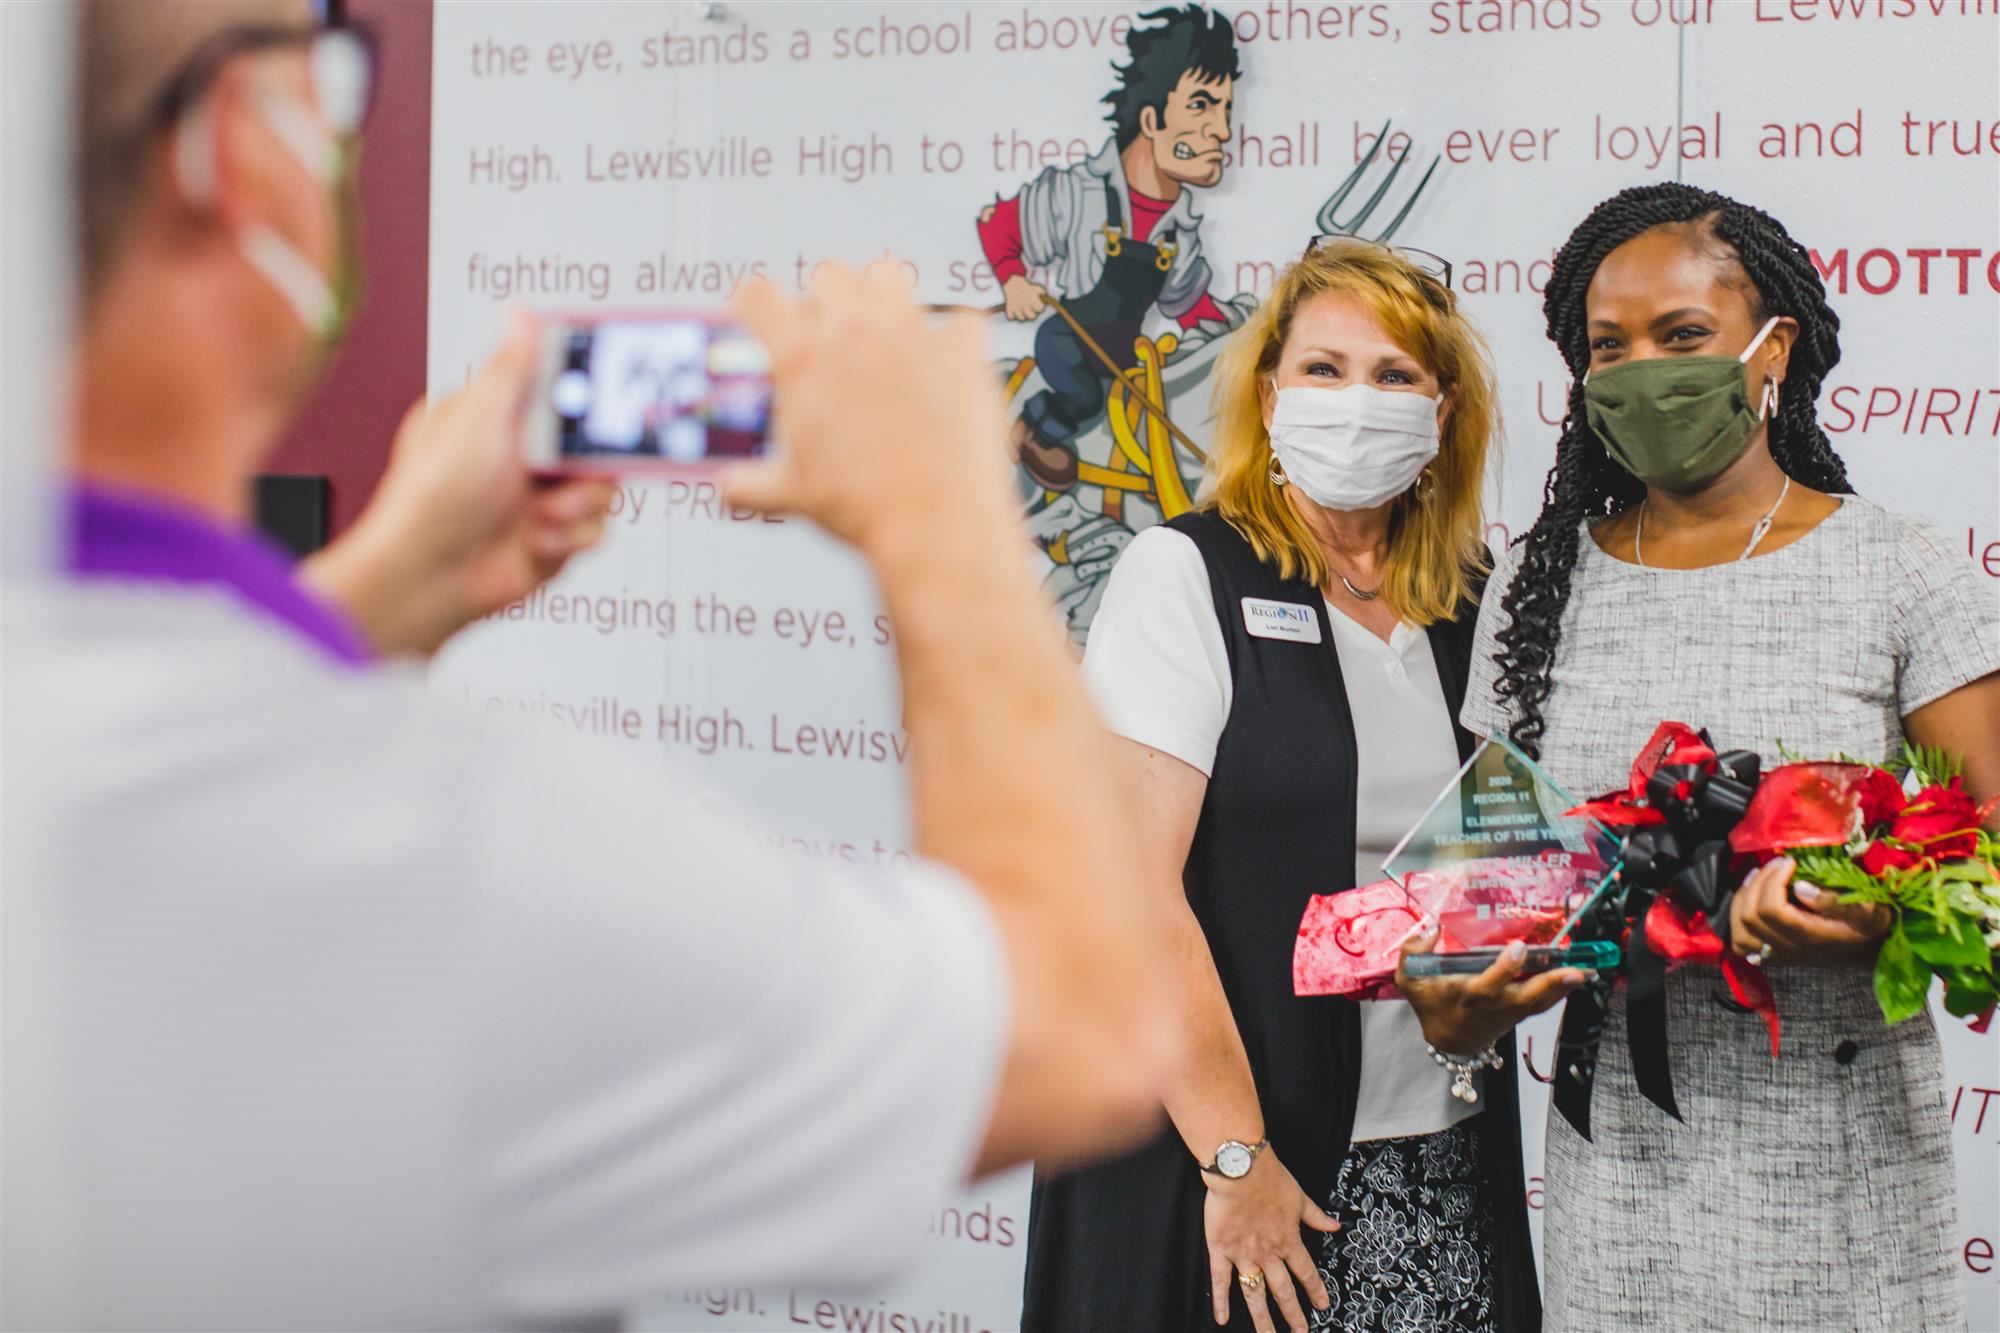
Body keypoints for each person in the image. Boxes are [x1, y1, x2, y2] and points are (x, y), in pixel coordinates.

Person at [2, 2, 1176, 1327]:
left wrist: (378, 595)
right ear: (241, 144)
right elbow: (1077, 1032)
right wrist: (944, 515)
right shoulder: (460, 859)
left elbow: (149, 726)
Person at [1447, 182, 2000, 1330]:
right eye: (1610, 346)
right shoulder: (1533, 591)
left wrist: (1877, 918)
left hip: (1841, 1186)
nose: (1644, 368)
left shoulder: (1902, 575)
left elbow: (1988, 875)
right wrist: (1457, 997)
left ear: (1772, 349)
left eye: (1681, 336)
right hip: (1619, 1187)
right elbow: (1482, 898)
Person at [1021, 239, 1568, 1333]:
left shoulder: (1474, 603)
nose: (1353, 401)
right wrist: (1236, 1158)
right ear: (1268, 394)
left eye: (1392, 374)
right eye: (1321, 369)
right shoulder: (1185, 576)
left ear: (1442, 412)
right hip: (1224, 1165)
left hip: (1436, 1154)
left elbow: (1496, 858)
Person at [976, 2, 1238, 490]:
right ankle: (1032, 431)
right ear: (1153, 120)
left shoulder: (1179, 228)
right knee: (1085, 400)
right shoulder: (1078, 193)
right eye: (1201, 105)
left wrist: (1241, 336)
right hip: (1069, 343)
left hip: (1124, 357)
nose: (1221, 131)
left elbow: (1189, 305)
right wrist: (1013, 280)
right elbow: (1000, 226)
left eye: (1224, 110)